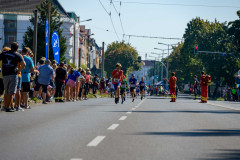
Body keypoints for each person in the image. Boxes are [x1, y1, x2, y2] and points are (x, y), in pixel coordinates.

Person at [0, 42, 26, 112]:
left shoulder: (4, 53)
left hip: (5, 74)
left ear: (11, 47)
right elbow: (24, 64)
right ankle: (8, 107)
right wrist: (19, 70)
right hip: (13, 74)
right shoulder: (17, 55)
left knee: (6, 91)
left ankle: (6, 106)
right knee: (11, 92)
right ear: (17, 48)